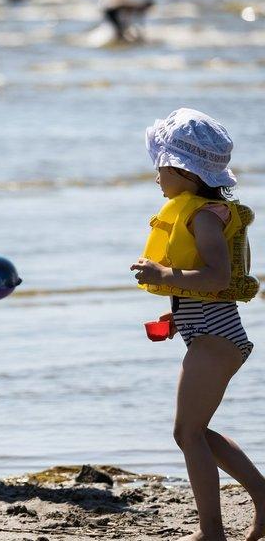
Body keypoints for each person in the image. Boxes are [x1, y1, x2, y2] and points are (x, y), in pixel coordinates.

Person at [131, 109, 264, 541]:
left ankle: (211, 532)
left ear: (185, 171)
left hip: (216, 337)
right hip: (208, 331)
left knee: (187, 432)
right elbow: (207, 288)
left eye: (161, 166)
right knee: (194, 432)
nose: (156, 177)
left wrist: (163, 276)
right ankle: (262, 499)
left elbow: (218, 277)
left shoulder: (205, 215)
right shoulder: (198, 208)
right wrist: (177, 315)